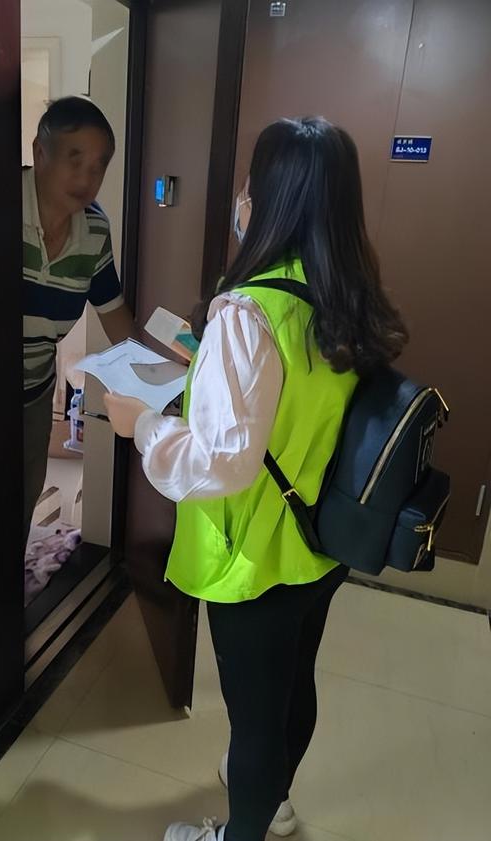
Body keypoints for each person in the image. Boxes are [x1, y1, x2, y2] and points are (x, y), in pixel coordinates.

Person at [104, 117, 408, 841]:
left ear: (271, 198)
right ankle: (275, 802)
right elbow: (294, 406)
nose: (241, 197)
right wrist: (207, 368)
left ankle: (242, 828)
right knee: (292, 684)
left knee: (253, 718)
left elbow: (221, 463)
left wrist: (139, 425)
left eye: (250, 182)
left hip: (253, 555)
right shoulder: (343, 293)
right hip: (318, 539)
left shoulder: (248, 310)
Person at [23, 96, 136, 545]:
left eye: (98, 167)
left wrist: (158, 385)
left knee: (20, 502)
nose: (87, 179)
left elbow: (115, 316)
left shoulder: (94, 231)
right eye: (75, 161)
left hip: (34, 390)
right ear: (40, 152)